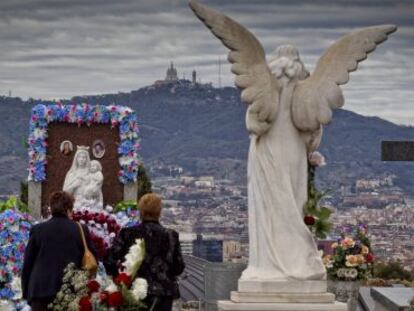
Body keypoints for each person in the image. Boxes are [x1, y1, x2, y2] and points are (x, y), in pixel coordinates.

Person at [104, 193, 185, 311]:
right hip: (162, 296)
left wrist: (120, 279)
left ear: (141, 211)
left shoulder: (127, 233)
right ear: (159, 211)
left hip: (133, 294)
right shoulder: (171, 235)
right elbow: (179, 267)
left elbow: (109, 259)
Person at [21, 191, 97, 311]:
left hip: (41, 293)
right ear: (68, 209)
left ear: (51, 209)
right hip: (71, 292)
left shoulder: (38, 230)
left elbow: (28, 264)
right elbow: (93, 257)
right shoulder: (80, 229)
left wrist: (27, 292)